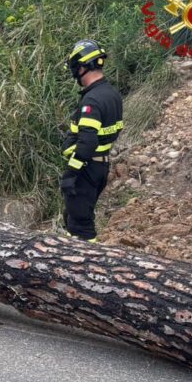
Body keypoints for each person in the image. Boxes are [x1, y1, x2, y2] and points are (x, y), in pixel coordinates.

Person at [60, 39, 123, 242]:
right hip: (99, 167)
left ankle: (87, 265)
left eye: (76, 67)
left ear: (83, 66)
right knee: (74, 218)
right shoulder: (111, 94)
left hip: (86, 169)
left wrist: (71, 172)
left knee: (81, 227)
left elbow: (88, 143)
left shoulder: (92, 100)